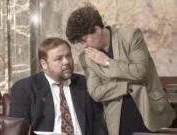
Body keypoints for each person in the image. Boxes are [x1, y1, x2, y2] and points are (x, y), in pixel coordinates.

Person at [66, 6, 176, 135]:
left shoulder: (130, 36)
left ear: (97, 29)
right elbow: (96, 92)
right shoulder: (86, 57)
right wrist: (128, 85)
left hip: (150, 110)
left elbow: (141, 71)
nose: (84, 46)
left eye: (84, 40)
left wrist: (107, 62)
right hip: (116, 118)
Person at [9, 37, 108, 135]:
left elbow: (98, 125)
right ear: (44, 64)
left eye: (68, 56)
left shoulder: (84, 83)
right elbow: (18, 130)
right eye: (58, 58)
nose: (66, 62)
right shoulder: (25, 88)